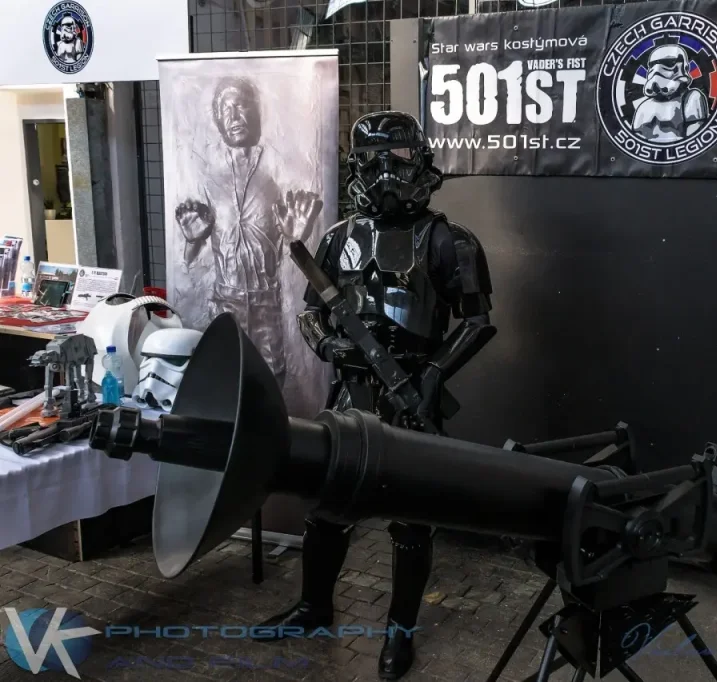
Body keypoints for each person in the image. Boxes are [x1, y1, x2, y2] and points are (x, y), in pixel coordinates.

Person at [261, 111, 496, 680]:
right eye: (373, 160)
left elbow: (477, 322)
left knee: (411, 522)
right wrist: (327, 345)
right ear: (356, 167)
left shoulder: (450, 241)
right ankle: (315, 607)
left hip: (412, 396)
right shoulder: (338, 237)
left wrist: (434, 373)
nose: (386, 171)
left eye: (399, 157)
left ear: (421, 161)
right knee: (327, 509)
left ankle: (399, 632)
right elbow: (311, 313)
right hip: (351, 395)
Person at [173, 77, 323, 386]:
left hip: (266, 302)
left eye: (241, 106)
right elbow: (188, 265)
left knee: (272, 377)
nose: (234, 116)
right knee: (226, 378)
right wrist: (191, 242)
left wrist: (298, 237)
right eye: (225, 110)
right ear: (218, 120)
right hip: (226, 303)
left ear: (255, 111)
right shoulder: (208, 181)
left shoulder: (278, 173)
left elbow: (294, 247)